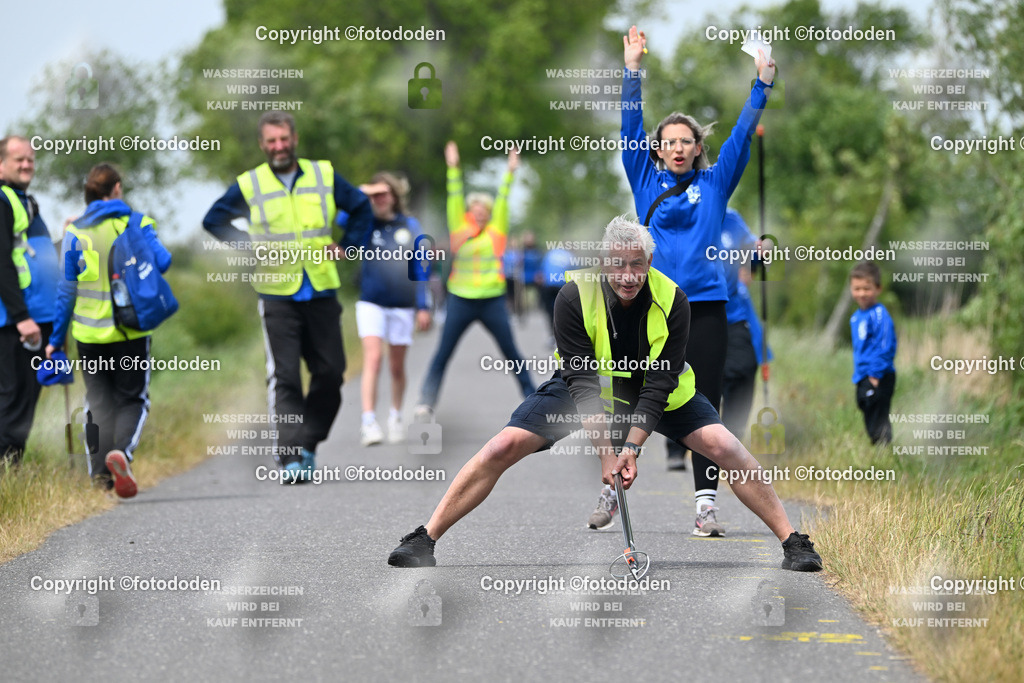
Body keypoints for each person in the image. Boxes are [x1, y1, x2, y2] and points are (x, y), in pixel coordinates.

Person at [388, 217, 822, 572]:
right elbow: (582, 383)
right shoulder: (573, 296)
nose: (628, 276)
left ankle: (793, 541)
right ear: (603, 261)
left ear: (649, 260)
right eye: (618, 264)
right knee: (504, 444)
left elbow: (659, 384)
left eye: (637, 264)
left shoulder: (675, 299)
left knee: (724, 446)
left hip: (661, 391)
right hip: (588, 387)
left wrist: (630, 448)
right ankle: (425, 537)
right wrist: (605, 453)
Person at [586, 25, 777, 536]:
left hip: (707, 308)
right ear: (658, 149)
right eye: (667, 141)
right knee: (628, 395)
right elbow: (630, 127)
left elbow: (741, 138)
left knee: (704, 410)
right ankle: (611, 487)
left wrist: (762, 84)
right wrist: (631, 71)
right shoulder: (644, 177)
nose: (676, 148)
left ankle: (705, 505)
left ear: (697, 148)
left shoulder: (715, 183)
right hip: (647, 306)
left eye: (685, 141)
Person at [202, 111, 372, 482]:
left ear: (294, 139)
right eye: (271, 141)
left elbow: (361, 206)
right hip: (276, 292)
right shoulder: (250, 184)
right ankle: (290, 455)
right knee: (286, 377)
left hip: (321, 287)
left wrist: (349, 246)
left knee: (330, 373)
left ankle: (309, 440)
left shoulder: (323, 174)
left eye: (283, 139)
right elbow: (213, 220)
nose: (278, 147)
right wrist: (250, 248)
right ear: (262, 145)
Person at [45, 163, 171, 498]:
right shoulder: (136, 221)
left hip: (88, 336)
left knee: (98, 404)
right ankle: (122, 453)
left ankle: (100, 480)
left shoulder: (75, 233)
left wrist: (55, 342)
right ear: (116, 189)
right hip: (130, 332)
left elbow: (65, 293)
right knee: (133, 399)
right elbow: (163, 261)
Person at [413, 141, 536, 419]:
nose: (480, 212)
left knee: (512, 352)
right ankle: (425, 401)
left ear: (490, 214)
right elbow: (454, 194)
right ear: (469, 211)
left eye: (485, 210)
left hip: (492, 300)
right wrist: (453, 168)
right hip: (461, 299)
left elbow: (503, 198)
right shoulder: (459, 228)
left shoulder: (497, 232)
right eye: (475, 208)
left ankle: (533, 399)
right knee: (443, 352)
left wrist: (510, 171)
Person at [353, 172, 432, 445]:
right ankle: (368, 422)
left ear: (395, 196)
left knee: (396, 367)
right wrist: (361, 192)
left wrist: (423, 305)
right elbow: (341, 217)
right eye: (374, 195)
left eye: (383, 193)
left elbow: (421, 266)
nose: (379, 199)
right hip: (371, 302)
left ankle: (395, 415)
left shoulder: (409, 225)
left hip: (403, 305)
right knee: (373, 359)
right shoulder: (364, 223)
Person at [0, 135, 59, 466]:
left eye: (30, 160)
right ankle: (5, 478)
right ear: (1, 164)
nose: (26, 165)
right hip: (16, 321)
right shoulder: (3, 201)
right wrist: (21, 316)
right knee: (12, 399)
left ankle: (12, 476)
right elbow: (2, 262)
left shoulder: (26, 202)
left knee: (25, 399)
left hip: (39, 316)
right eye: (18, 159)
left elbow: (38, 256)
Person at [720, 208, 773, 438]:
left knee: (741, 370)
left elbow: (754, 256)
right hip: (695, 314)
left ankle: (732, 439)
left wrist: (761, 251)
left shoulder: (732, 218)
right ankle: (688, 442)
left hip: (735, 320)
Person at [849, 261, 896, 445]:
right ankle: (876, 445)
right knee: (866, 410)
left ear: (878, 289)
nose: (861, 293)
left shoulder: (879, 314)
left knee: (878, 415)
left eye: (866, 288)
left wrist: (875, 376)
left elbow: (885, 346)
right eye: (857, 288)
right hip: (862, 374)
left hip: (879, 375)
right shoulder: (856, 316)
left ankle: (883, 448)